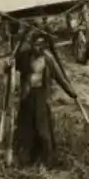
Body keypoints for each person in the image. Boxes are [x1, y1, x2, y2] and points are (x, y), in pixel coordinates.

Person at [10, 31, 80, 167]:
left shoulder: (48, 59)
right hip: (27, 97)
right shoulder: (24, 57)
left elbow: (60, 78)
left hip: (41, 97)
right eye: (37, 44)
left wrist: (72, 93)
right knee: (26, 129)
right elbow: (10, 68)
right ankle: (24, 159)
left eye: (43, 44)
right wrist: (8, 64)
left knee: (43, 129)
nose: (40, 47)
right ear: (32, 44)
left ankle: (48, 160)